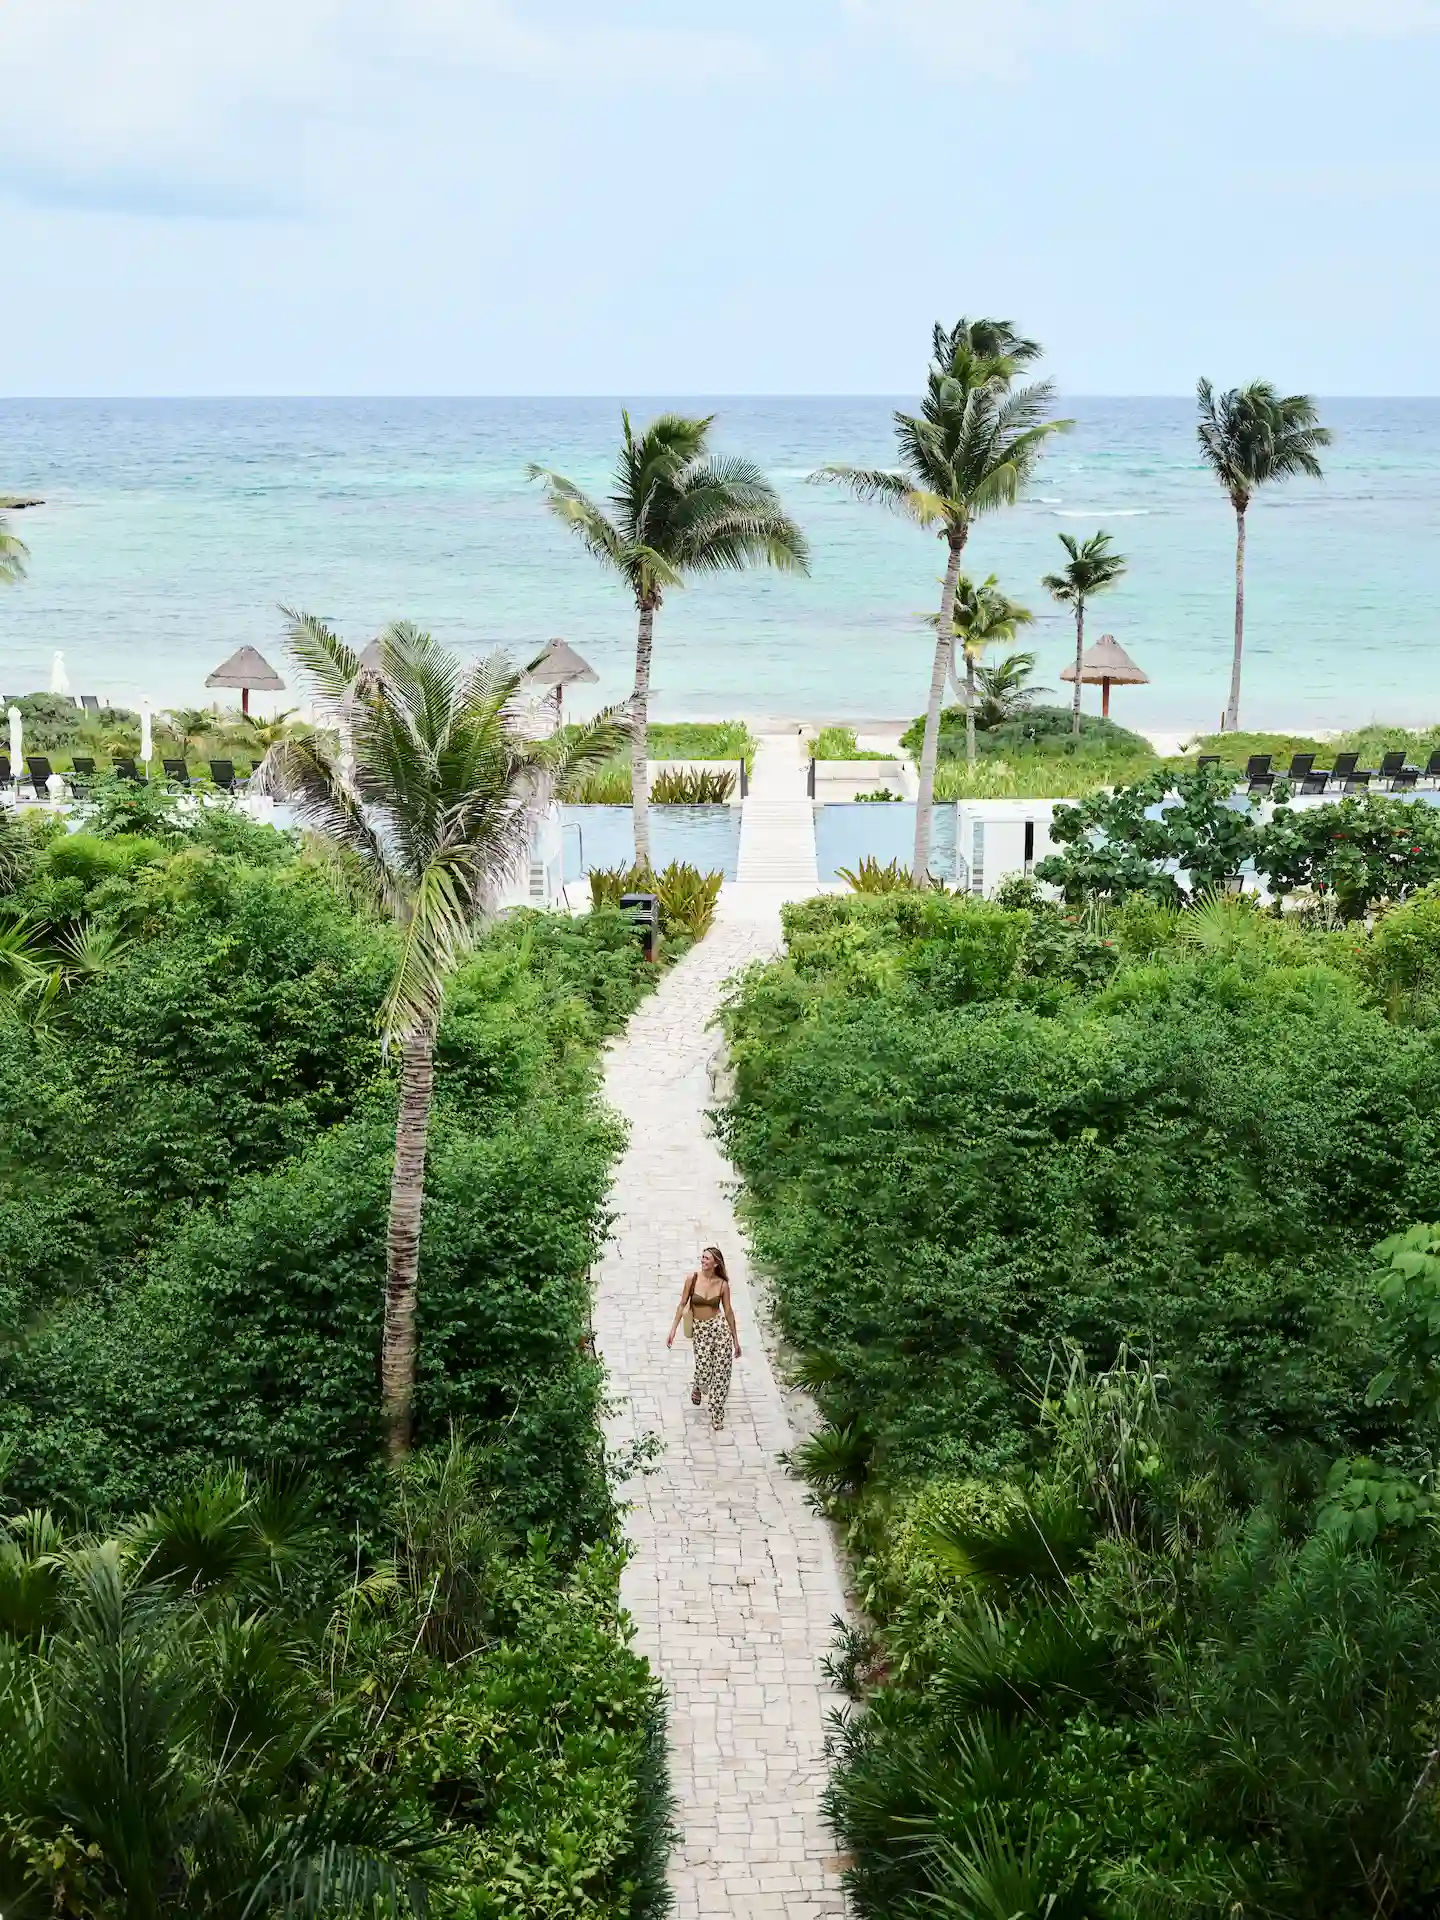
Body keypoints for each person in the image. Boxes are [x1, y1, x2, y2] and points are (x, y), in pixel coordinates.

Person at [667, 1245, 741, 1430]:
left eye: (706, 1258)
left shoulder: (722, 1285)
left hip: (719, 1329)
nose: (702, 1260)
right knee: (703, 1369)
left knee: (722, 1372)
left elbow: (729, 1312)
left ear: (716, 1263)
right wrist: (673, 1330)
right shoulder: (692, 1279)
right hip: (700, 1330)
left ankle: (717, 1412)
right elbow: (682, 1304)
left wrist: (736, 1340)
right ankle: (698, 1386)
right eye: (702, 1257)